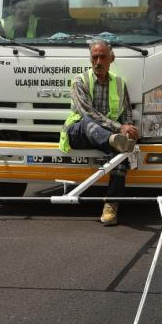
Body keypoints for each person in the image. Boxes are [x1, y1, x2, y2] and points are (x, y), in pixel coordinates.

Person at [59, 39, 139, 226]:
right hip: (79, 133)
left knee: (121, 155)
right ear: (90, 59)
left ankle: (111, 207)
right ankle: (113, 140)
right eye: (94, 57)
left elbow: (126, 111)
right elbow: (88, 113)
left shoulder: (120, 83)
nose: (98, 62)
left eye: (103, 57)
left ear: (111, 58)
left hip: (108, 136)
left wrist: (128, 128)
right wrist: (118, 129)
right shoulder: (80, 81)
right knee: (88, 121)